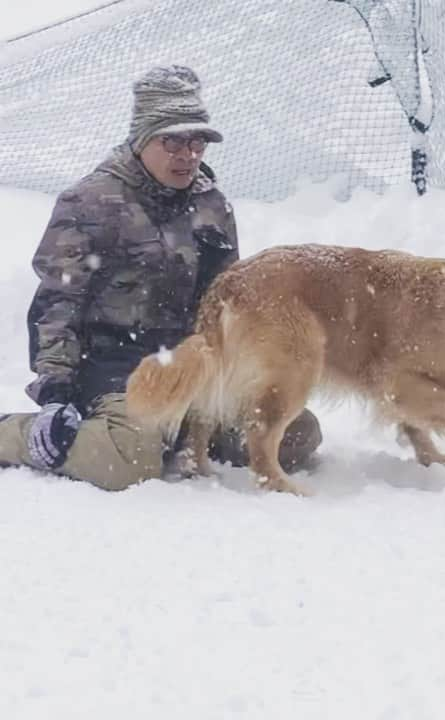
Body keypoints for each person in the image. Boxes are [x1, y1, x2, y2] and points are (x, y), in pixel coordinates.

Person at [0, 65, 321, 491]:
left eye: (197, 141)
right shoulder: (91, 202)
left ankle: (172, 431)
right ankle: (15, 435)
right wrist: (55, 395)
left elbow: (228, 300)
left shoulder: (212, 205)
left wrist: (247, 372)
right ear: (141, 138)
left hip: (190, 364)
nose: (187, 154)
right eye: (171, 140)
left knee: (293, 432)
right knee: (128, 462)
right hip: (110, 364)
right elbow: (57, 306)